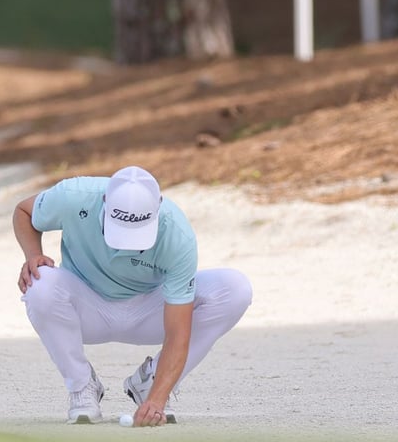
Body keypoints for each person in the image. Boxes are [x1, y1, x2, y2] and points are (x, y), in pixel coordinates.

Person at [13, 166, 253, 426]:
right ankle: (82, 387)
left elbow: (178, 333)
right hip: (85, 308)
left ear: (158, 206)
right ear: (104, 199)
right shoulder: (75, 195)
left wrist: (157, 398)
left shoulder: (177, 234)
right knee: (40, 283)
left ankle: (151, 382)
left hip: (149, 312)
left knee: (235, 288)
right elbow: (23, 211)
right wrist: (33, 255)